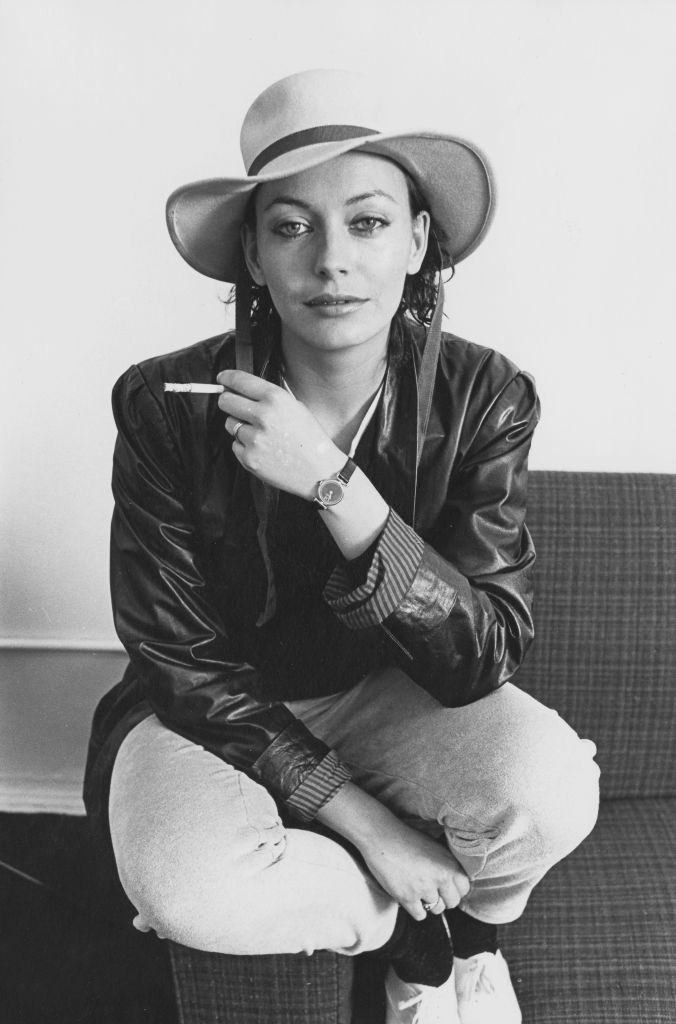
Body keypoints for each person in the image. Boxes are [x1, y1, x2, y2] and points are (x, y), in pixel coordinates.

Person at [84, 69, 600, 1024]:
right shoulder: (163, 405)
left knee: (558, 790)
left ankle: (471, 936)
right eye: (291, 226)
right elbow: (179, 659)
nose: (331, 261)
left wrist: (332, 482)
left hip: (388, 696)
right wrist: (368, 826)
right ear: (252, 252)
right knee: (184, 888)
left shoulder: (487, 396)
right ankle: (419, 935)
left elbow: (481, 655)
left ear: (416, 240)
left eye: (366, 223)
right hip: (209, 709)